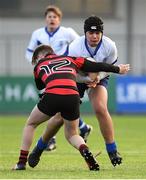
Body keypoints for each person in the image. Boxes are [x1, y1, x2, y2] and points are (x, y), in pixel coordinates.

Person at [13, 45, 130, 170]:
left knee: (31, 124)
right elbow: (97, 66)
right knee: (72, 134)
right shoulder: (70, 59)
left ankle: (21, 163)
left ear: (39, 57)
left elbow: (40, 86)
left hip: (52, 94)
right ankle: (84, 149)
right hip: (72, 96)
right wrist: (117, 69)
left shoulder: (38, 65)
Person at [30, 15, 124, 167]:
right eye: (91, 33)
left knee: (100, 108)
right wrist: (87, 80)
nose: (94, 36)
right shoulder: (75, 46)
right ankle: (39, 148)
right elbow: (68, 71)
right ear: (85, 33)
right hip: (77, 77)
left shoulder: (110, 46)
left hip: (99, 77)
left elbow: (108, 69)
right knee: (60, 117)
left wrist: (96, 78)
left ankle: (112, 150)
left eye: (98, 33)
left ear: (102, 33)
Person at [25, 5, 92, 151]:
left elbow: (80, 44)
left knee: (55, 103)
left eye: (54, 17)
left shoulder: (67, 32)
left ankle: (51, 140)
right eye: (49, 17)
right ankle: (82, 127)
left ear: (59, 19)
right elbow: (29, 52)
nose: (51, 19)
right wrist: (38, 65)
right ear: (45, 19)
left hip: (63, 72)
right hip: (46, 74)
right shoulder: (37, 34)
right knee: (56, 105)